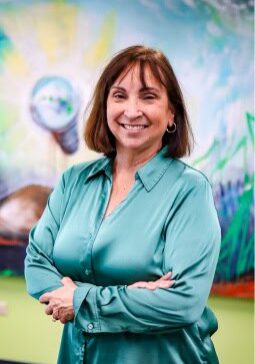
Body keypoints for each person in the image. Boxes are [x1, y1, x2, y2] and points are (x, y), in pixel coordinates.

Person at [25, 45, 221, 364]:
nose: (132, 110)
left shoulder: (190, 191)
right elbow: (36, 264)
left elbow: (182, 301)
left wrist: (80, 299)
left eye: (148, 96)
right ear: (105, 106)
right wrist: (134, 296)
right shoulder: (73, 181)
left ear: (171, 113)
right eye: (119, 95)